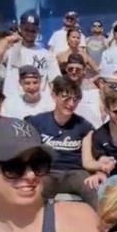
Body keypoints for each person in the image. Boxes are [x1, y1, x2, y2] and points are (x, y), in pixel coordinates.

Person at [25, 76, 102, 204]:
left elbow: (87, 161)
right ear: (54, 97)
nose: (71, 104)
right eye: (66, 98)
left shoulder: (84, 126)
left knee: (95, 191)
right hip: (48, 172)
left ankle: (103, 223)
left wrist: (101, 168)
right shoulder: (36, 122)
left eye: (75, 99)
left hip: (75, 173)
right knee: (36, 192)